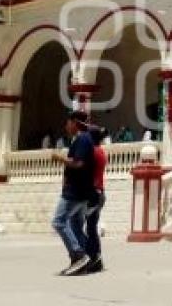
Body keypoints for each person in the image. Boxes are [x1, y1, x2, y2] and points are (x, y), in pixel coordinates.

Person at [50, 111, 95, 276]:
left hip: (75, 191)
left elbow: (78, 163)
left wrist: (59, 158)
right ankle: (88, 258)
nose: (66, 126)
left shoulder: (83, 139)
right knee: (75, 224)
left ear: (75, 123)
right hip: (80, 190)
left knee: (59, 221)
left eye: (67, 122)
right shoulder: (84, 139)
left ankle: (79, 255)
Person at [85, 125, 107, 273]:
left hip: (93, 193)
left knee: (90, 228)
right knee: (91, 227)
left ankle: (94, 257)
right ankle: (95, 257)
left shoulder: (92, 152)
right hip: (99, 192)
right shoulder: (101, 151)